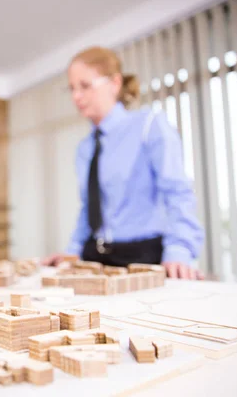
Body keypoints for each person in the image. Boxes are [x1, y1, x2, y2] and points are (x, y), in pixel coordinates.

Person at [42, 47, 205, 280]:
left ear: (114, 83)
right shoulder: (85, 148)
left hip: (143, 255)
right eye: (72, 88)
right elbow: (90, 208)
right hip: (94, 255)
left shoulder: (150, 126)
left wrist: (180, 250)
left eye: (85, 86)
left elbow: (178, 193)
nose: (75, 97)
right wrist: (72, 252)